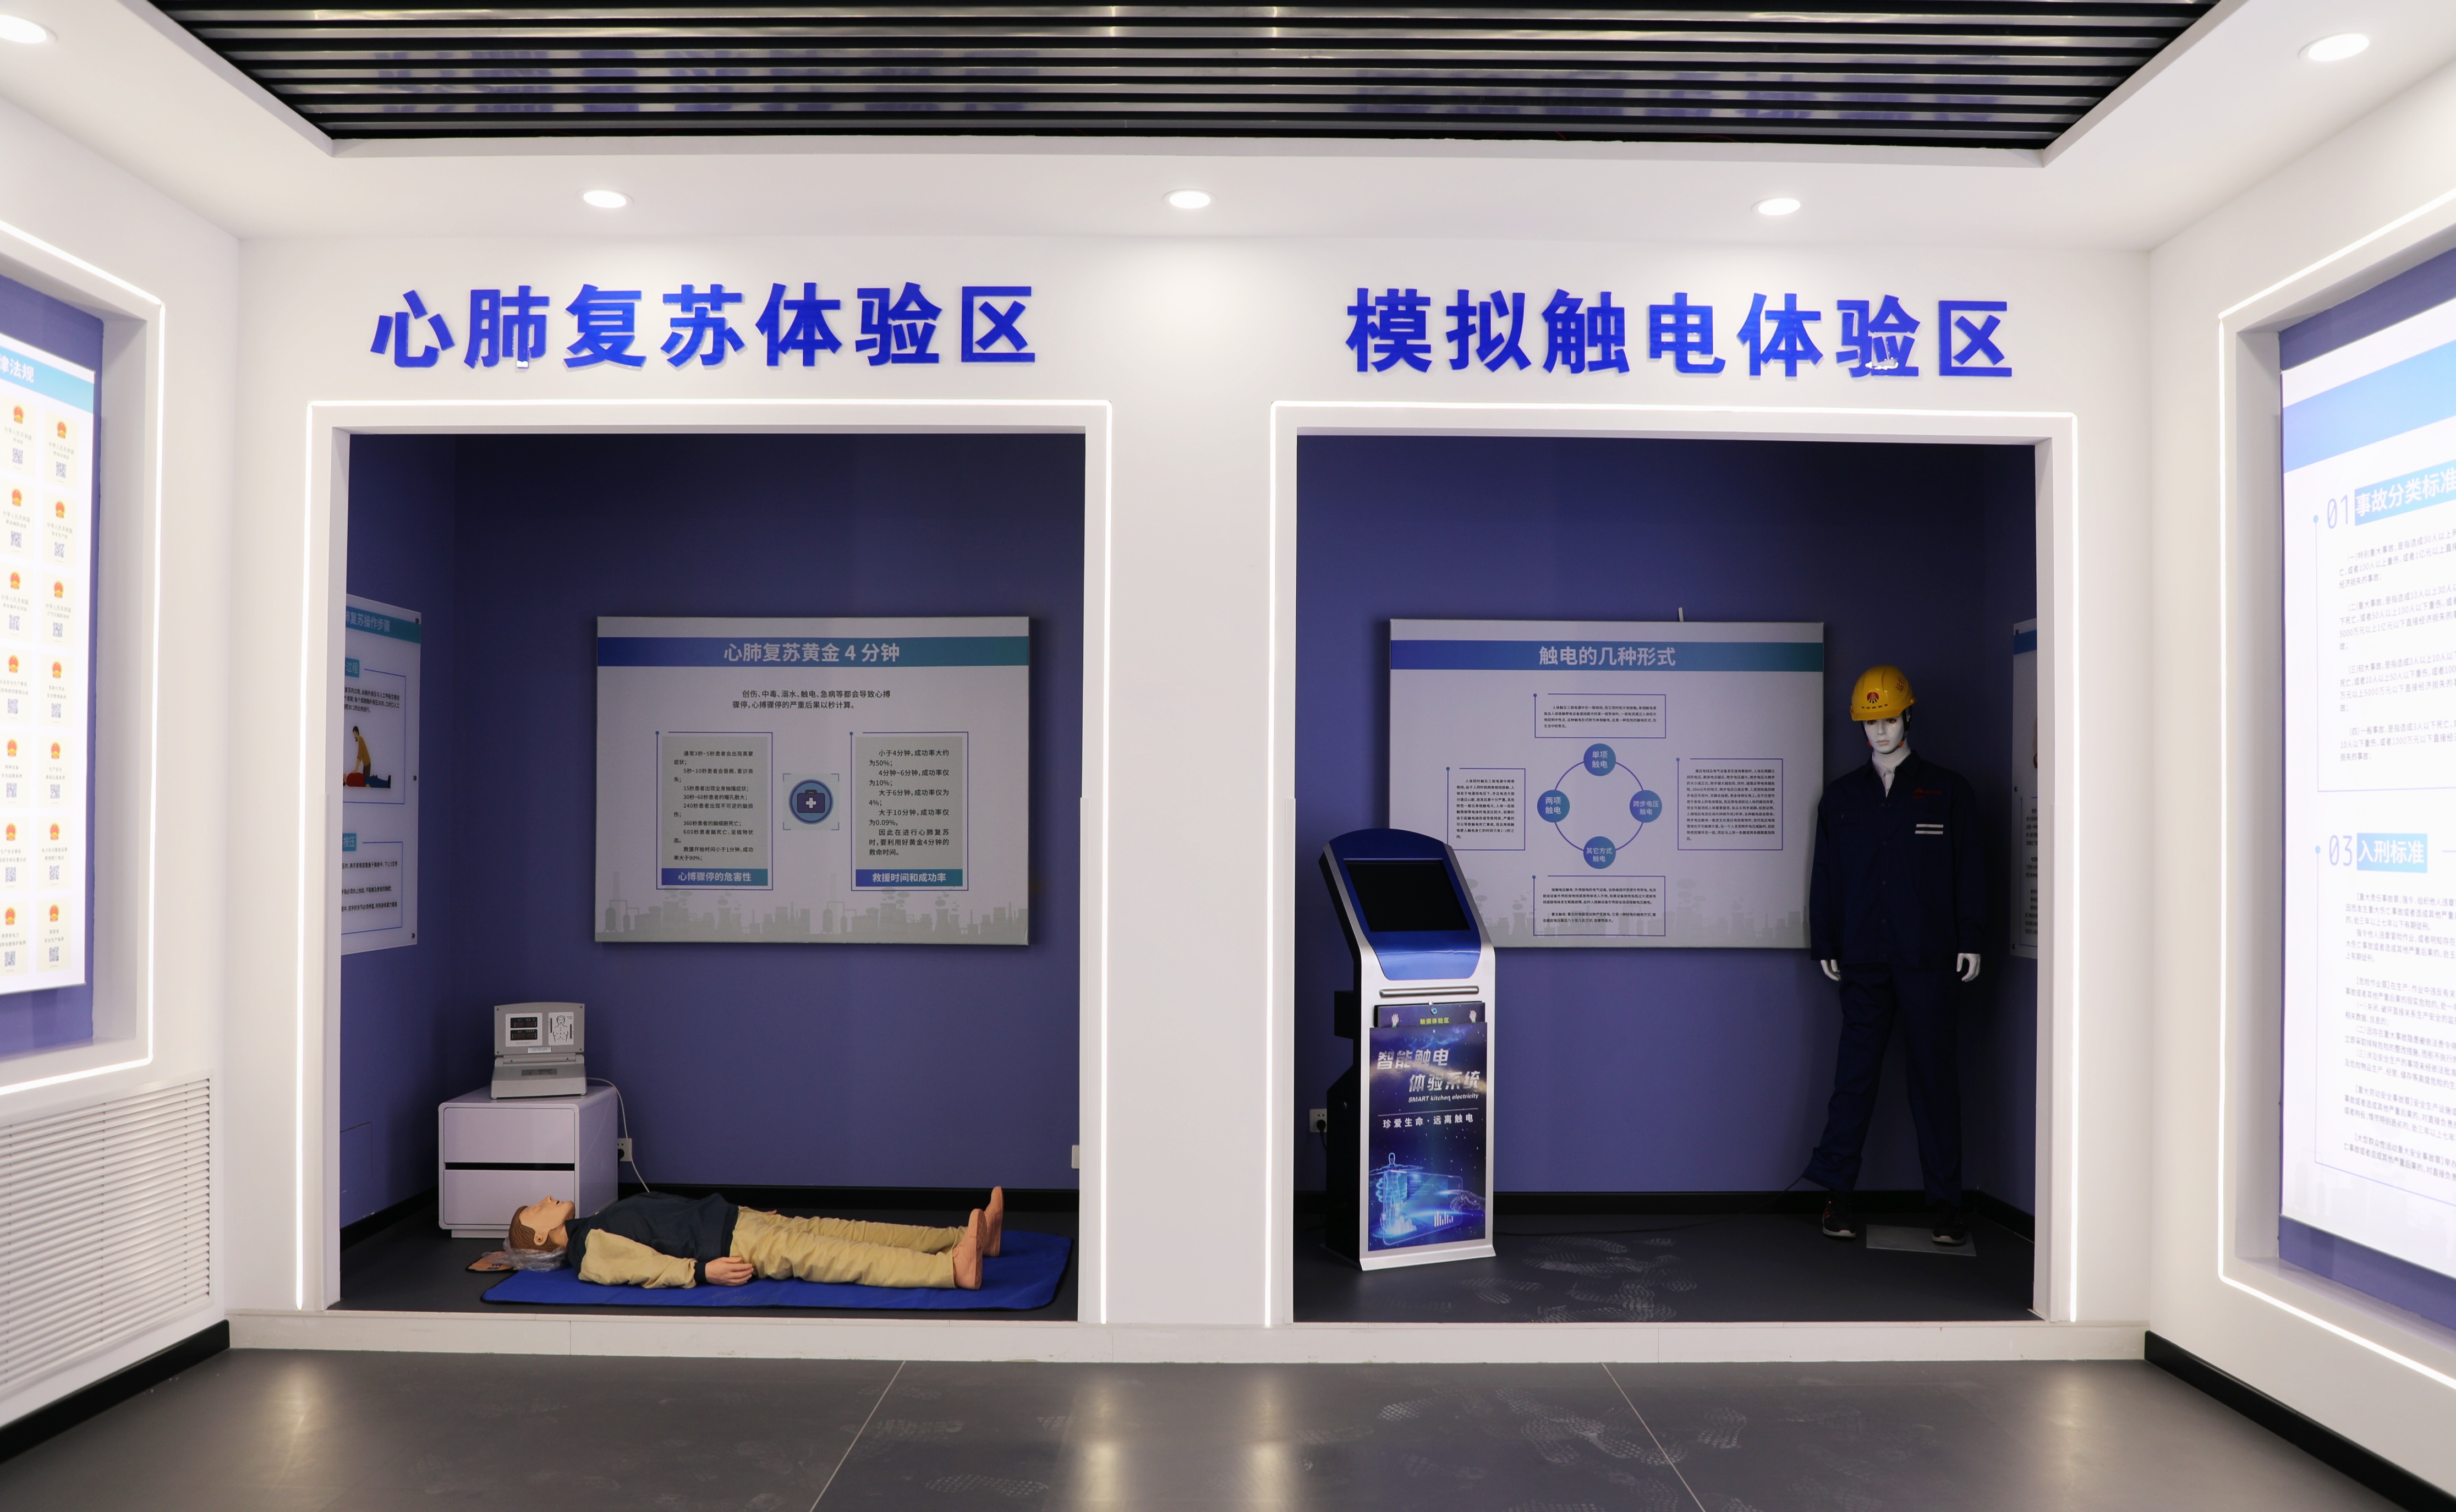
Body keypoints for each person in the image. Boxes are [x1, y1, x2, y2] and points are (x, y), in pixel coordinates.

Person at [1803, 665, 1985, 1248]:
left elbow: (1970, 870)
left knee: (1935, 1082)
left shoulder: (1948, 791)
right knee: (1853, 1080)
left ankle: (1947, 1206)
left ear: (1908, 716)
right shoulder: (1842, 798)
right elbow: (1826, 875)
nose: (1879, 732)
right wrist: (1826, 941)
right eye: (1869, 723)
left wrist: (1971, 937)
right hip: (1863, 957)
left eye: (1887, 720)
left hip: (1930, 957)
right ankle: (1837, 1195)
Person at [501, 1187, 1006, 1291]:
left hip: (738, 1223)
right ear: (541, 1234)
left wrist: (745, 1211)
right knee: (845, 1255)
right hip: (736, 1248)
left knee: (849, 1231)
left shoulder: (597, 1220)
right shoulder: (589, 1250)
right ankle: (950, 1270)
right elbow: (643, 1268)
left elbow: (677, 1213)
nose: (547, 1197)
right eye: (538, 1207)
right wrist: (702, 1272)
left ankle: (967, 1238)